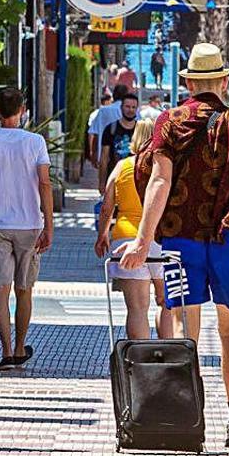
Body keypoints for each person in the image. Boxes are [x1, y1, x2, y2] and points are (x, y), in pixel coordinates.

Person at [118, 42, 229, 450]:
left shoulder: (169, 122)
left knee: (183, 327)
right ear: (224, 80)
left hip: (181, 241)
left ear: (188, 83)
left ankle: (185, 412)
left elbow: (159, 181)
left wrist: (144, 240)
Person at [0, 88, 54, 370]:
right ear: (22, 110)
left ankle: (6, 350)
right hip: (30, 224)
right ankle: (21, 347)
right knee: (25, 290)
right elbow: (44, 184)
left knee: (1, 291)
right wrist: (49, 225)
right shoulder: (35, 142)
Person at [95, 119, 174, 339]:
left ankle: (140, 362)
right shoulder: (166, 166)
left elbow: (106, 206)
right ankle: (167, 355)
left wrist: (102, 235)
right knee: (166, 303)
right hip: (161, 240)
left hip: (125, 239)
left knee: (137, 308)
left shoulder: (122, 166)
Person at [98, 93, 140, 193]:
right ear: (121, 108)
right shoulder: (110, 129)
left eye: (134, 107)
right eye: (127, 106)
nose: (130, 110)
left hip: (135, 183)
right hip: (114, 180)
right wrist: (102, 183)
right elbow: (104, 158)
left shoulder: (141, 130)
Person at [88, 84, 129, 172]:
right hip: (127, 158)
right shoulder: (133, 112)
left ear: (113, 95)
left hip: (105, 158)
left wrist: (93, 153)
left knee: (105, 182)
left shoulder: (103, 111)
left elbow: (95, 134)